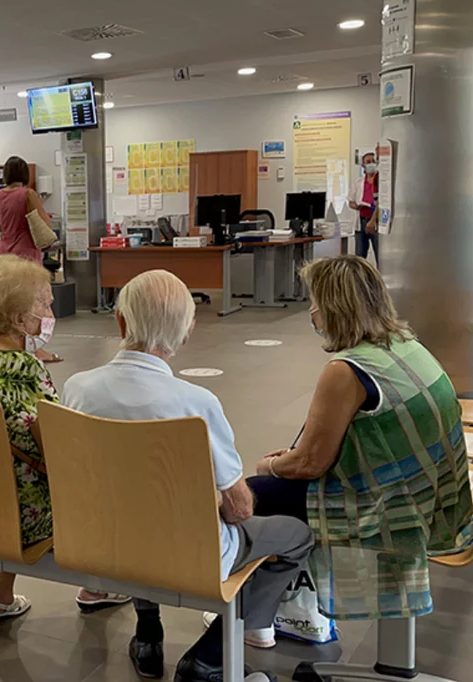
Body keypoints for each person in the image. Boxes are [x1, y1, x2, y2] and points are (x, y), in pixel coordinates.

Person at [63, 270, 314, 682]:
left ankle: (147, 633)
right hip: (190, 554)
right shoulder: (196, 402)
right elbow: (236, 509)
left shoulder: (77, 389)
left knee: (136, 509)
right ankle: (211, 655)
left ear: (120, 322)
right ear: (186, 333)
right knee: (295, 536)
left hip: (101, 541)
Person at [248, 255, 473, 624]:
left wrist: (272, 465)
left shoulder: (346, 371)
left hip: (389, 507)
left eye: (315, 304)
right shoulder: (406, 344)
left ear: (334, 310)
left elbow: (311, 463)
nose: (312, 312)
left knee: (253, 495)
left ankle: (257, 617)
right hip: (435, 493)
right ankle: (289, 599)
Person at [0, 256, 128, 629]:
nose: (51, 312)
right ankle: (96, 585)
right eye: (45, 304)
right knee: (99, 474)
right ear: (17, 319)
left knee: (10, 467)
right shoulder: (27, 371)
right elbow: (59, 446)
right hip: (19, 512)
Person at [0, 155, 62, 363]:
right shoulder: (28, 194)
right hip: (28, 256)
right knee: (36, 306)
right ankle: (37, 350)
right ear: (25, 174)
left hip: (6, 257)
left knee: (12, 306)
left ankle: (13, 346)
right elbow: (44, 222)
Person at [347, 152, 379, 264]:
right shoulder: (358, 182)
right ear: (363, 165)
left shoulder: (380, 180)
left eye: (373, 161)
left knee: (380, 257)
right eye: (368, 162)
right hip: (361, 222)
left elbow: (382, 201)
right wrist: (357, 206)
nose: (371, 164)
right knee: (359, 259)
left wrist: (373, 220)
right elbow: (350, 202)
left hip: (376, 222)